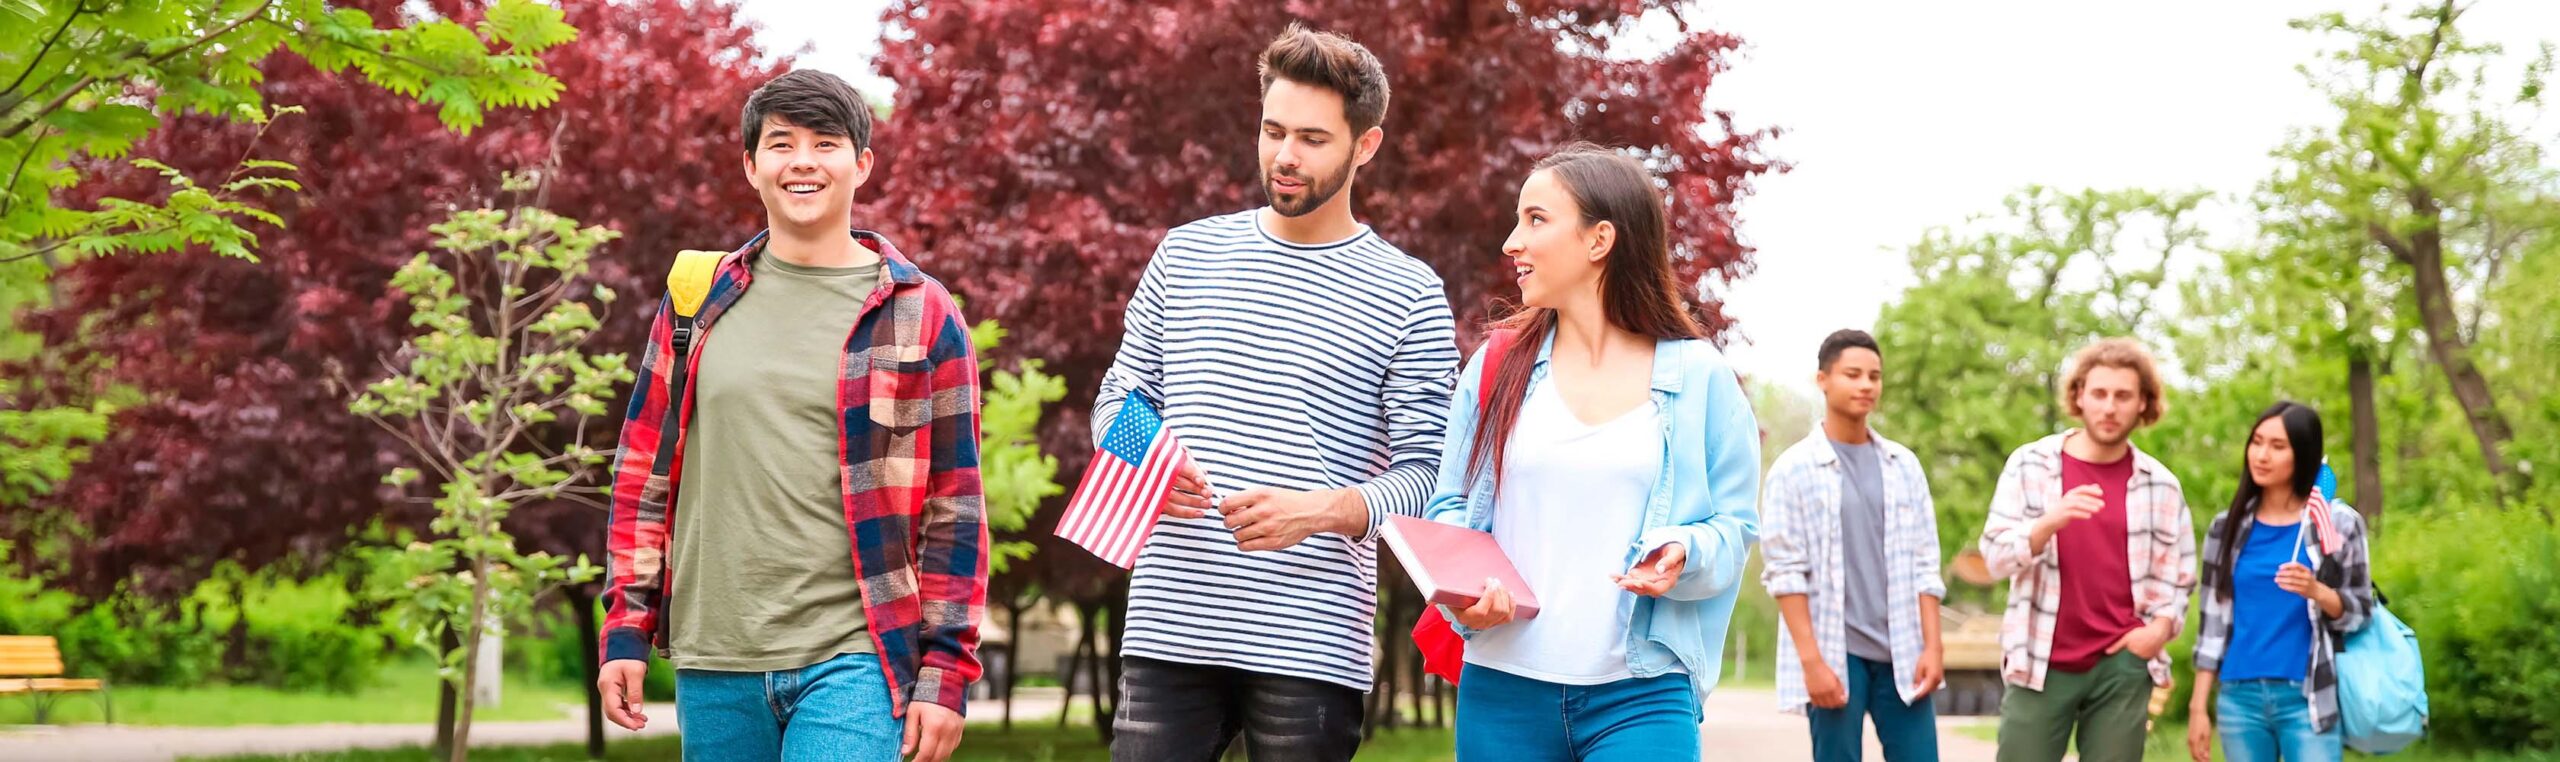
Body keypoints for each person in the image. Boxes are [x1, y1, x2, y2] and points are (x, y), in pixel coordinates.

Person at [1090, 25, 1459, 762]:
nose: (1285, 155)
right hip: (1170, 625)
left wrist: (1322, 510)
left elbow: (1429, 474)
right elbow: (1116, 403)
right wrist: (1147, 460)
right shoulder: (1186, 253)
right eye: (1273, 130)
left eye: (1313, 138)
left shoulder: (1410, 294)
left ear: (1366, 145)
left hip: (1313, 641)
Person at [595, 69, 987, 762]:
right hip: (715, 655)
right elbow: (642, 472)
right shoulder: (695, 300)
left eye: (826, 143)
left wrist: (946, 671)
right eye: (781, 144)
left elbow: (955, 505)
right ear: (751, 166)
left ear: (861, 164)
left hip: (857, 653)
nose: (803, 161)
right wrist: (627, 627)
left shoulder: (921, 312)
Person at [1424, 143, 1762, 762]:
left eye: (1536, 219)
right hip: (1503, 690)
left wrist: (1682, 552)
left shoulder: (1701, 378)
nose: (1511, 242)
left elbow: (1735, 529)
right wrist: (1471, 589)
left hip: (1643, 695)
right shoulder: (1494, 369)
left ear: (1599, 239)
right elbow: (1449, 503)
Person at [1977, 338, 2196, 762]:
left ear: (2143, 404)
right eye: (2098, 394)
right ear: (2079, 396)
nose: (2109, 408)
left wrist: (2158, 630)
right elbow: (1995, 558)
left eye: (2123, 396)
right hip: (2040, 658)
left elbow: (2180, 577)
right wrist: (2048, 523)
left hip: (2122, 666)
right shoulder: (2031, 464)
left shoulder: (2161, 484)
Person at [1762, 329, 1945, 761]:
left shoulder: (1903, 465)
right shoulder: (1793, 470)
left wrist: (1933, 647)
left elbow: (1925, 562)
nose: (1866, 385)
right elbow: (1785, 572)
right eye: (1853, 374)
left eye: (1875, 376)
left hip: (1903, 648)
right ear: (1823, 379)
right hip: (1835, 652)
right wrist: (1812, 663)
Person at [2186, 402, 2373, 762]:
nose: (2262, 455)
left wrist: (2317, 591)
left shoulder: (2338, 524)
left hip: (2307, 695)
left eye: (2277, 446)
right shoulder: (2225, 529)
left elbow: (2361, 611)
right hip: (2239, 697)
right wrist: (2198, 707)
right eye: (2257, 442)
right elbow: (2212, 622)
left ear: (2302, 454)